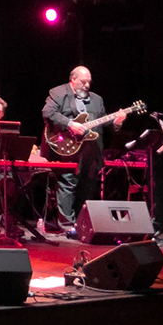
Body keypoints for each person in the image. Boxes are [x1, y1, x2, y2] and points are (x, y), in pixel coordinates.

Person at [41, 66, 125, 237]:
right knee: (67, 182)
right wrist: (70, 124)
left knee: (88, 184)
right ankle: (66, 224)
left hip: (91, 150)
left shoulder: (97, 99)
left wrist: (117, 122)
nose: (87, 85)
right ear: (73, 79)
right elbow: (48, 113)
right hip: (66, 148)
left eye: (89, 82)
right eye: (83, 82)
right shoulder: (58, 93)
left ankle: (80, 223)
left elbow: (103, 122)